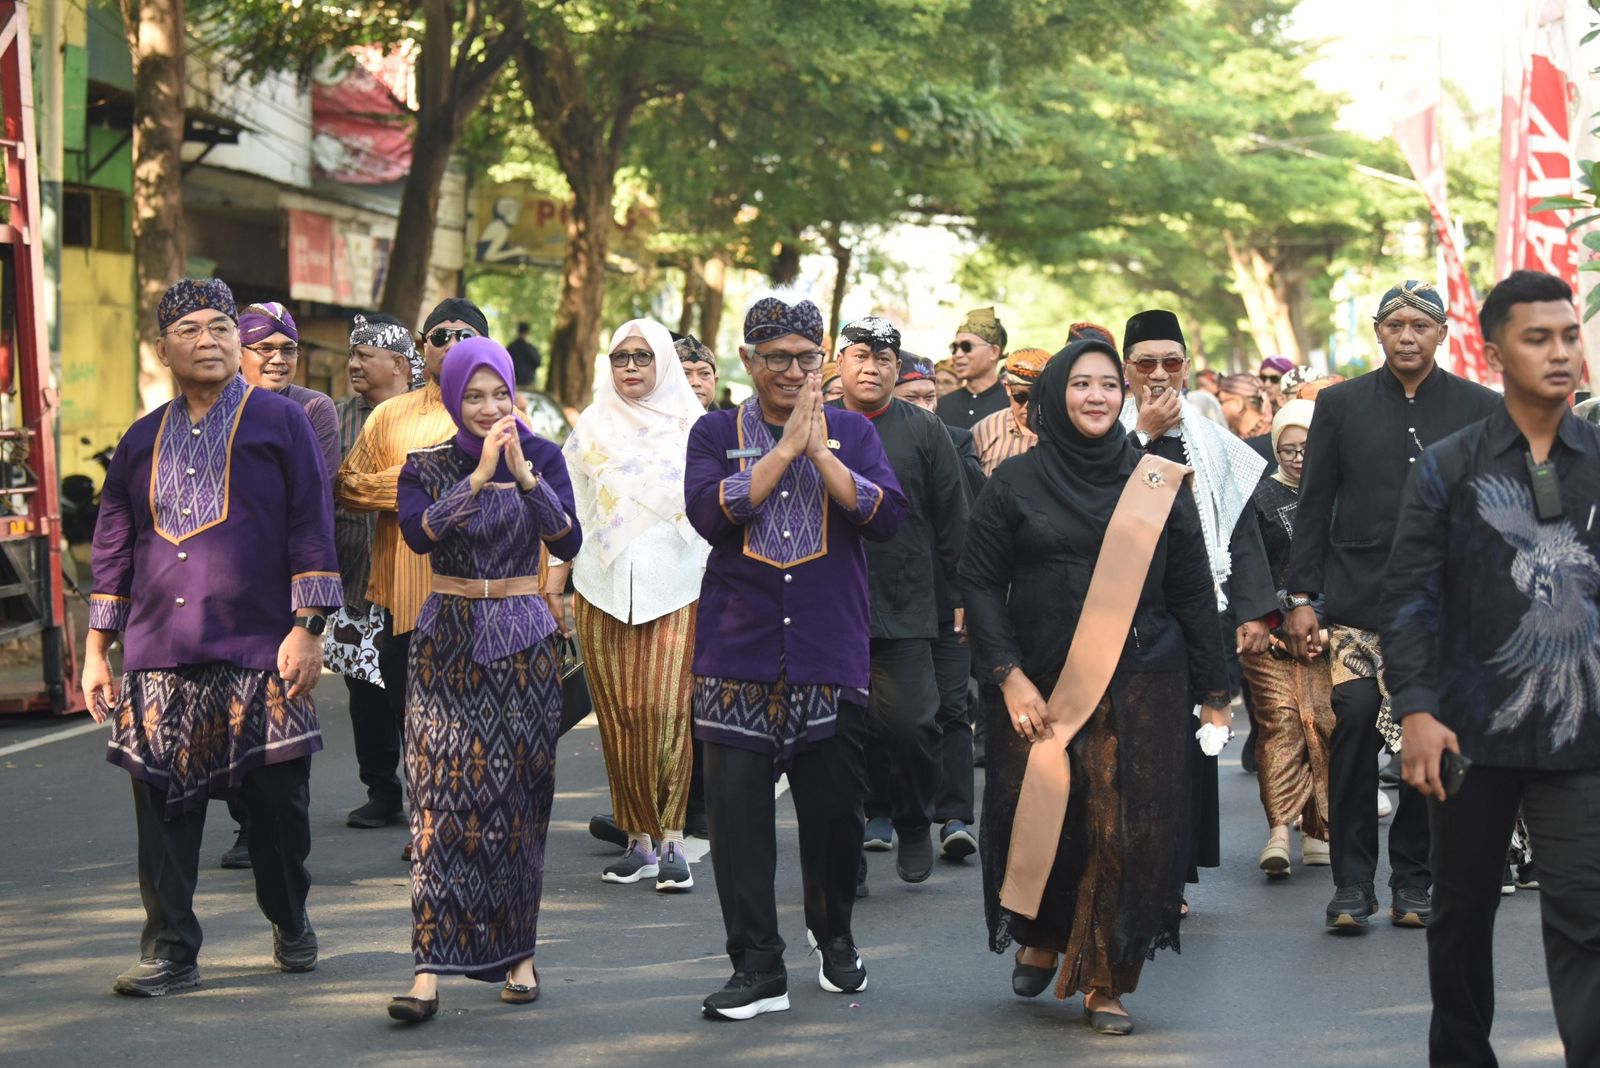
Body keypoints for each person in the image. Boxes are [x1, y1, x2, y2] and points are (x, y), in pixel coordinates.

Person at [961, 338, 1231, 1036]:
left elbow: (1191, 591)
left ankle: (1107, 978)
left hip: (1142, 684)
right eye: (1081, 383)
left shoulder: (1155, 481)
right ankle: (1043, 934)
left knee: (1124, 829)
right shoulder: (1014, 483)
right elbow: (980, 583)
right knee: (1049, 815)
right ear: (1056, 395)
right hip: (1042, 685)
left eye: (1109, 384)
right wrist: (1008, 676)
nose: (1097, 396)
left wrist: (1216, 690)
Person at [82, 278, 341, 997]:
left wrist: (308, 628)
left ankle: (289, 916)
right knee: (162, 806)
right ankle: (171, 952)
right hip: (160, 653)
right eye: (190, 329)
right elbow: (113, 548)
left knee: (278, 806)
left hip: (262, 651)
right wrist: (97, 651)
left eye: (222, 327)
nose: (209, 340)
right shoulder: (139, 440)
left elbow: (311, 527)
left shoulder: (281, 423)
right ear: (162, 348)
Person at [1382, 270, 1600, 1066]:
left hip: (1582, 733)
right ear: (1496, 352)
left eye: (1569, 335)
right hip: (1465, 732)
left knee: (1588, 915)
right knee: (1461, 915)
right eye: (1538, 338)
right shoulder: (1449, 465)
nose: (1560, 353)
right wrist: (1415, 709)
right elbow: (1410, 595)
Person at [685, 291, 905, 1020]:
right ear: (748, 360)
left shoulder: (853, 432)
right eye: (775, 358)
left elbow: (885, 517)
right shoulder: (715, 431)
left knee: (836, 814)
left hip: (827, 650)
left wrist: (819, 452)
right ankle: (757, 968)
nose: (791, 371)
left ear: (825, 362)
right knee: (737, 822)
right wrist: (783, 452)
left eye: (806, 358)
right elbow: (709, 514)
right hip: (736, 651)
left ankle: (833, 933)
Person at [1282, 279, 1501, 932]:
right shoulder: (1340, 404)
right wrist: (1301, 597)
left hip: (1443, 611)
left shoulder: (1479, 407)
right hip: (1357, 607)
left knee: (1427, 740)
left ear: (1443, 334)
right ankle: (1352, 885)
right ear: (1377, 332)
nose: (1407, 336)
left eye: (1420, 325)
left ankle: (1414, 881)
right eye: (1395, 325)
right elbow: (1314, 504)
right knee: (1352, 725)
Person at [387, 337, 581, 1022]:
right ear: (452, 398)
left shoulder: (545, 456)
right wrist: (477, 478)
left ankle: (520, 958)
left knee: (517, 807)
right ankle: (426, 974)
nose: (489, 407)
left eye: (500, 394)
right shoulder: (427, 465)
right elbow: (420, 535)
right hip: (445, 643)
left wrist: (523, 475)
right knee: (436, 809)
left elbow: (567, 541)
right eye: (474, 396)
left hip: (524, 645)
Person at [1120, 309, 1277, 886]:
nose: (1159, 374)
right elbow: (1097, 496)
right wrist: (1141, 435)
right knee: (1133, 742)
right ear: (1127, 370)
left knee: (1193, 740)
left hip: (1195, 611)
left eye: (1171, 362)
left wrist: (1254, 610)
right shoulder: (1107, 434)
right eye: (1146, 364)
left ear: (1186, 368)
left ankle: (1176, 872)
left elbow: (1240, 528)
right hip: (1123, 611)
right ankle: (1135, 869)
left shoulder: (1213, 442)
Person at [558, 318, 708, 892]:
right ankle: (637, 840)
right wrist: (556, 585)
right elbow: (571, 510)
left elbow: (713, 511)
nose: (630, 367)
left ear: (663, 361)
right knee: (618, 717)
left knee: (665, 713)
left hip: (677, 588)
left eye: (643, 356)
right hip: (599, 588)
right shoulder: (591, 426)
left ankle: (672, 840)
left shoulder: (694, 426)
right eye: (620, 356)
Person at [337, 297, 488, 861]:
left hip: (481, 599)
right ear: (422, 349)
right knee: (416, 719)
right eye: (439, 336)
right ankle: (428, 820)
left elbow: (517, 493)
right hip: (404, 597)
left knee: (472, 718)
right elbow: (349, 485)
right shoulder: (389, 416)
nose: (451, 345)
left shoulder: (498, 412)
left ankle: (470, 816)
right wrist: (422, 487)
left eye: (464, 335)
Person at [832, 317, 969, 882]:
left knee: (913, 727)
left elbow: (952, 514)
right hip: (827, 606)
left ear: (897, 368)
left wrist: (960, 592)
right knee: (835, 739)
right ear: (839, 363)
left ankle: (913, 819)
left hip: (906, 600)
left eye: (884, 359)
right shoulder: (813, 424)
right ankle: (845, 858)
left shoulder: (924, 429)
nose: (872, 368)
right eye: (860, 356)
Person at [218, 300, 342, 868]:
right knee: (230, 709)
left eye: (287, 348)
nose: (277, 358)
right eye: (263, 348)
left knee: (285, 700)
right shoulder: (213, 408)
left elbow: (314, 498)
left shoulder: (312, 409)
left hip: (290, 582)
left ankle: (283, 832)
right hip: (224, 584)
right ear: (239, 351)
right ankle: (247, 824)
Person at [326, 314, 423, 834]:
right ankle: (382, 791)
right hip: (353, 584)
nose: (354, 364)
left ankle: (431, 793)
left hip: (414, 584)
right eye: (353, 355)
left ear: (400, 364)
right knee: (364, 696)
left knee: (416, 695)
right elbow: (332, 487)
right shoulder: (336, 417)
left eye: (366, 355)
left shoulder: (428, 414)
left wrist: (377, 487)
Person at [1240, 399, 1334, 878]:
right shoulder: (1257, 497)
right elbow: (1248, 564)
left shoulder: (1339, 493)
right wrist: (1268, 618)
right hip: (1271, 637)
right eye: (1288, 449)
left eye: (1307, 448)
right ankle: (1279, 829)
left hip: (1330, 636)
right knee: (1280, 726)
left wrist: (1328, 624)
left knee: (1325, 724)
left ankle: (1319, 829)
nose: (1298, 458)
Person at [970, 347, 1051, 478]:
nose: (1028, 405)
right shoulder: (985, 431)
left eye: (1037, 398)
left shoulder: (1063, 431)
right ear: (1007, 388)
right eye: (1021, 396)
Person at [937, 306, 1009, 430]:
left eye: (966, 347)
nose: (957, 354)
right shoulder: (943, 405)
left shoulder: (1013, 405)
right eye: (954, 348)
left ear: (994, 352)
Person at [1217, 372, 1273, 460]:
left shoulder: (1245, 450)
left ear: (1238, 403)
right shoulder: (1277, 434)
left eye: (1222, 402)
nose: (1221, 408)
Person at [676, 332, 720, 412]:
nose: (696, 382)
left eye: (705, 373)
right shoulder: (653, 419)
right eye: (685, 374)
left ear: (715, 381)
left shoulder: (733, 419)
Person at [507, 320, 542, 389]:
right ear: (527, 333)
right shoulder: (530, 348)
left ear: (518, 331)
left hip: (513, 383)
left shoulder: (510, 348)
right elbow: (538, 362)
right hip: (528, 383)